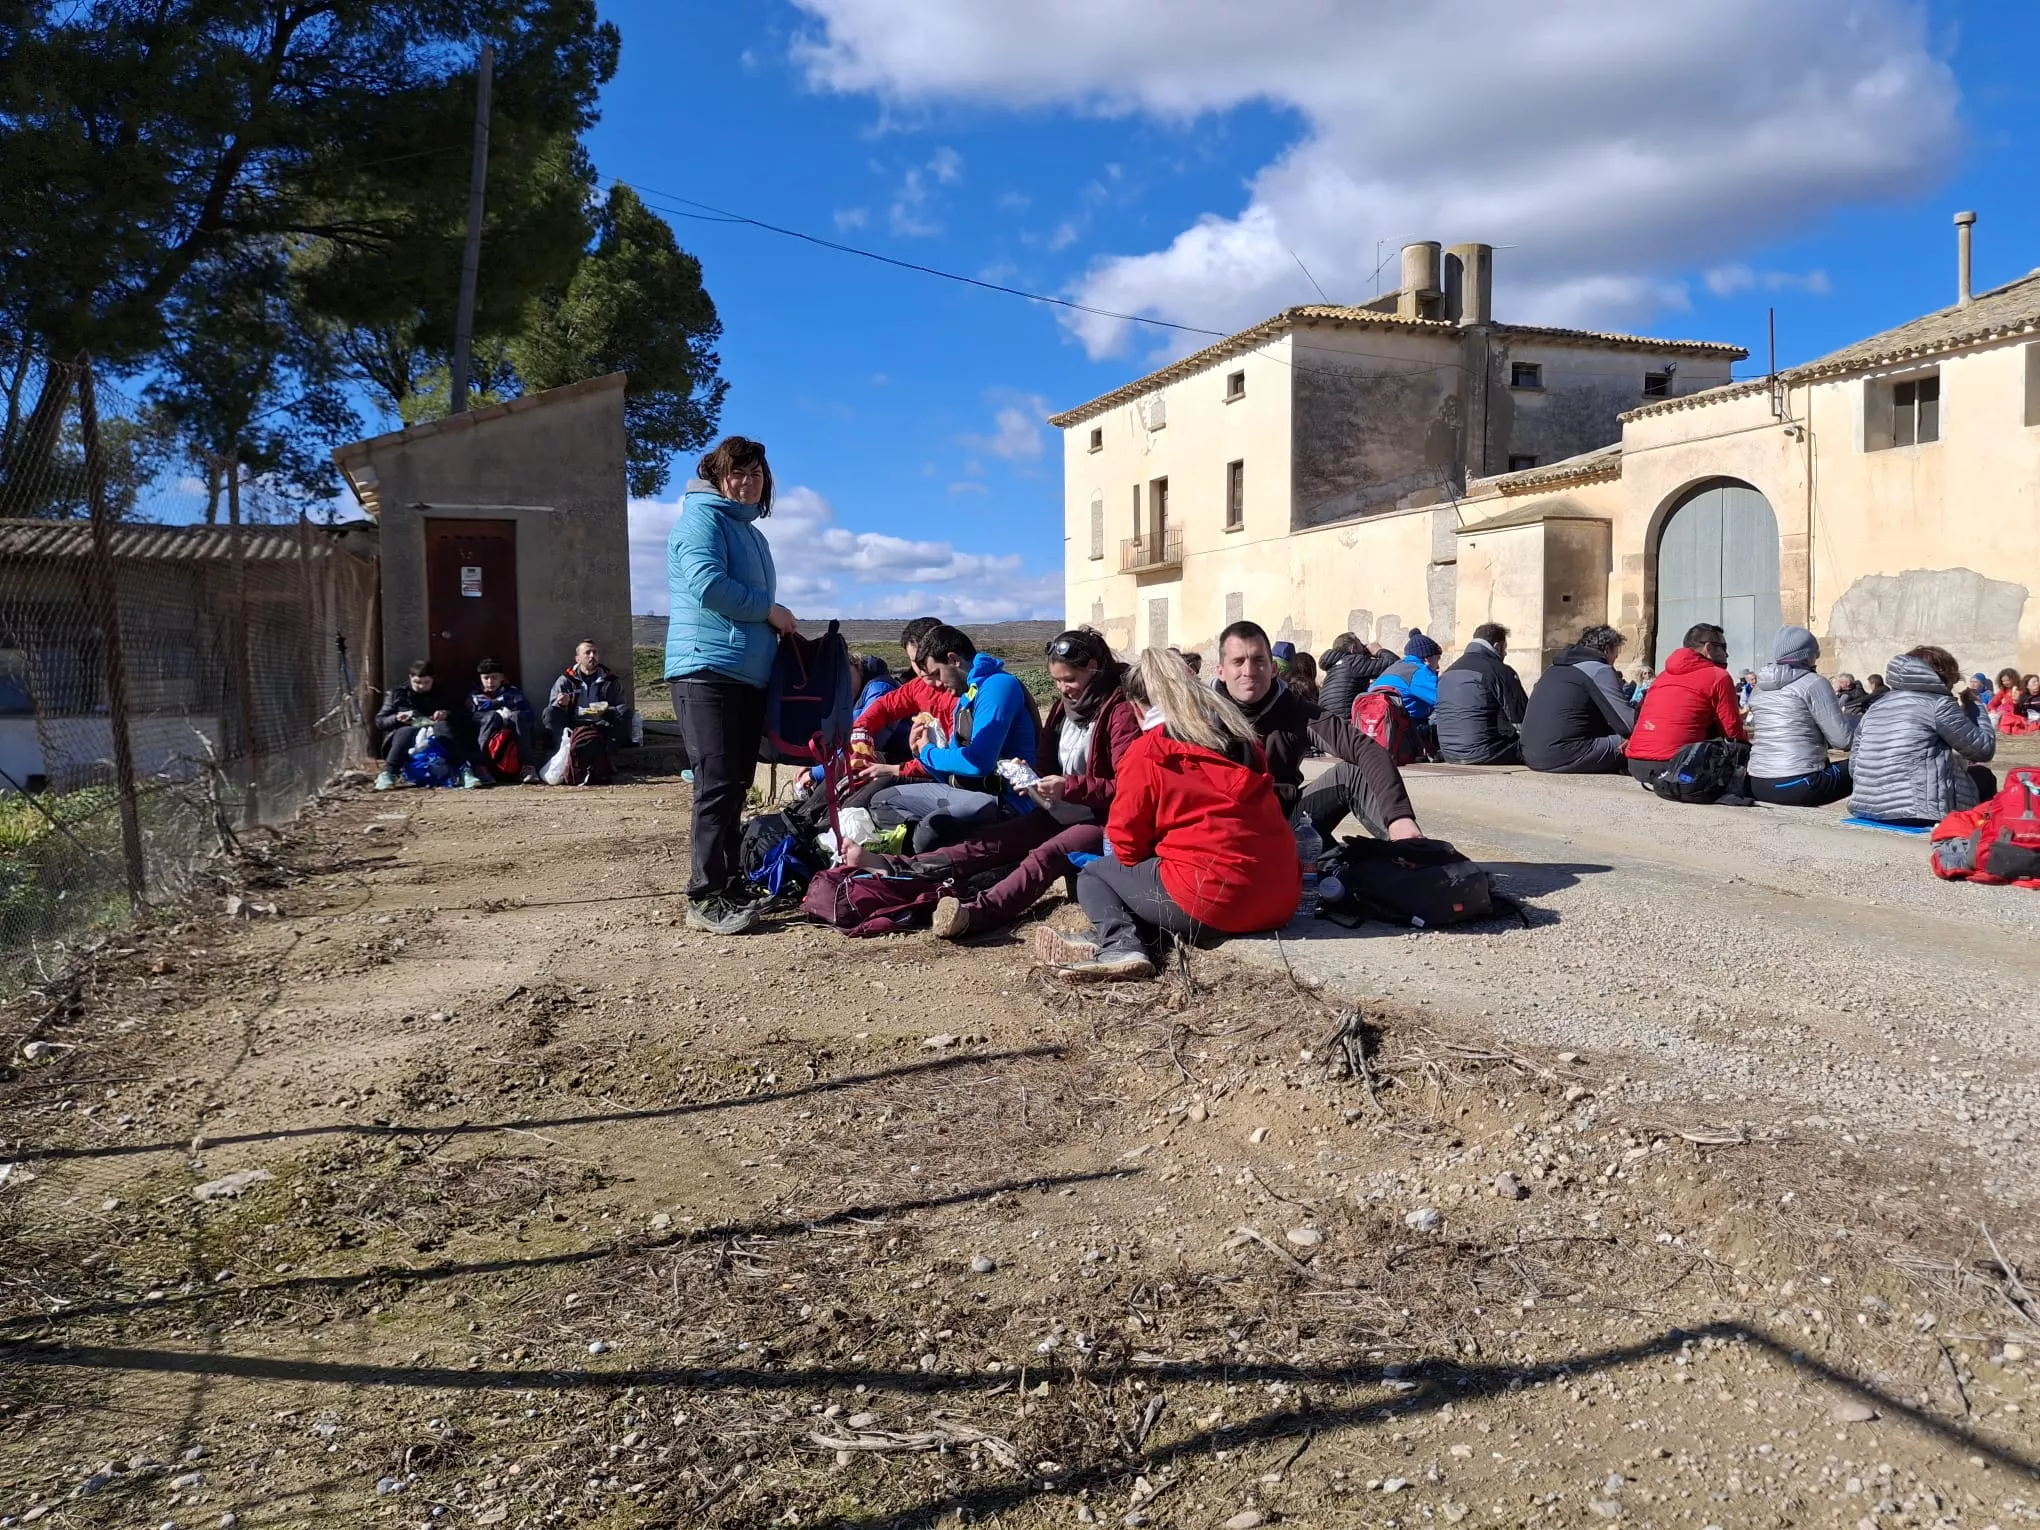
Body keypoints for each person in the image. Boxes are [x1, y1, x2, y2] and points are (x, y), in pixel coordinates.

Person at [1035, 647, 1301, 982]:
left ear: (1137, 707)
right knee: (1154, 879)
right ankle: (1114, 936)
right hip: (1282, 899)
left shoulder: (1148, 751)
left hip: (1216, 901)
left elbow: (1126, 847)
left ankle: (1120, 944)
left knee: (1095, 876)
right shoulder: (1241, 737)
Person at [859, 630, 1139, 941]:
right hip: (1063, 807)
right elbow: (1045, 762)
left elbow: (1129, 787)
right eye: (1056, 681)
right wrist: (1031, 779)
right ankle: (899, 866)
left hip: (1105, 819)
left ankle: (976, 914)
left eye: (1069, 680)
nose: (1062, 689)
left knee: (1045, 855)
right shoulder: (1064, 709)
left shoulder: (1119, 712)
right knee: (994, 841)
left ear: (1093, 668)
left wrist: (1067, 787)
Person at [666, 435, 799, 936]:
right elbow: (708, 585)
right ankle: (705, 896)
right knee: (717, 784)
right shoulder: (701, 519)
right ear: (718, 476)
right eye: (738, 473)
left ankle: (729, 882)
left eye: (756, 474)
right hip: (707, 670)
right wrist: (769, 611)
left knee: (736, 783)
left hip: (744, 674)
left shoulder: (751, 534)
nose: (748, 482)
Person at [865, 624, 1037, 852]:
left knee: (931, 830)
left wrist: (928, 751)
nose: (936, 684)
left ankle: (932, 852)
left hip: (1005, 801)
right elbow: (950, 776)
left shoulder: (998, 686)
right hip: (970, 792)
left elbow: (979, 763)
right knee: (883, 801)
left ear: (953, 659)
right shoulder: (966, 697)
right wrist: (919, 752)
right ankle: (926, 849)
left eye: (937, 674)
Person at [1848, 645, 1997, 825]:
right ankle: (1977, 833)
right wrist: (1975, 706)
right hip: (1918, 812)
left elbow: (1853, 765)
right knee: (1983, 775)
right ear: (1944, 675)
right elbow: (1983, 750)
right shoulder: (1939, 704)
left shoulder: (1877, 706)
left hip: (1865, 806)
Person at [1745, 627, 1857, 807]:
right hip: (1797, 784)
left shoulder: (1759, 689)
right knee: (1871, 765)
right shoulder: (1814, 683)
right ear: (1808, 655)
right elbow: (1842, 741)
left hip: (1757, 782)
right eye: (1816, 654)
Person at [1214, 620, 1315, 815]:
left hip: (1284, 813)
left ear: (1274, 668)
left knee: (1350, 774)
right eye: (1238, 662)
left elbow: (1356, 743)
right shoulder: (1201, 719)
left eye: (1258, 661)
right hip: (1228, 819)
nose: (1249, 672)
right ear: (1221, 672)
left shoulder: (1293, 705)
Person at [1625, 623, 1746, 784]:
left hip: (1636, 764)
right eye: (1723, 647)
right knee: (1741, 748)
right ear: (1708, 648)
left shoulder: (1661, 677)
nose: (1727, 654)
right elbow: (1732, 732)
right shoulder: (1718, 676)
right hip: (1677, 765)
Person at [848, 617, 961, 785]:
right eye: (915, 661)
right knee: (853, 772)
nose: (922, 669)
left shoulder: (958, 694)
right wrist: (861, 732)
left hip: (943, 774)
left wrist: (897, 769)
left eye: (924, 660)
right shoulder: (919, 686)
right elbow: (885, 706)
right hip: (924, 761)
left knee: (878, 786)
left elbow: (955, 758)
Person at [1519, 625, 1635, 774]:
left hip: (1530, 755)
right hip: (1564, 755)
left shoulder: (1552, 668)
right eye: (1615, 654)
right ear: (1607, 650)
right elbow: (1628, 725)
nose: (1615, 660)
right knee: (1643, 741)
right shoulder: (1598, 669)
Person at [375, 659, 479, 791]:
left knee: (443, 727)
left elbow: (463, 716)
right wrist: (396, 718)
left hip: (437, 737)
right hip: (406, 737)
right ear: (410, 678)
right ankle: (389, 773)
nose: (421, 686)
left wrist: (447, 714)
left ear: (433, 680)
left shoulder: (443, 693)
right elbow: (381, 721)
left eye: (426, 682)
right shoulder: (397, 694)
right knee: (405, 731)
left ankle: (464, 770)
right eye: (417, 682)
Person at [1432, 621, 1527, 765]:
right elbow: (1523, 720)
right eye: (1505, 648)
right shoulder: (1500, 670)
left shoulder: (1448, 672)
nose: (1506, 653)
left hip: (1449, 753)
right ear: (1497, 646)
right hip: (1487, 752)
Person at [544, 639, 633, 761]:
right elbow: (553, 706)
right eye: (587, 653)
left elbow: (620, 705)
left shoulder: (610, 680)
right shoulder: (566, 680)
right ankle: (561, 750)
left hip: (601, 723)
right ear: (578, 659)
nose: (592, 656)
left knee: (625, 711)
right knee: (549, 712)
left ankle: (609, 753)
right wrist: (561, 703)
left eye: (595, 652)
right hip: (573, 723)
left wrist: (606, 709)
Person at [467, 659, 539, 785]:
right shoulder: (475, 695)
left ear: (501, 677)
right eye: (486, 678)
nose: (490, 682)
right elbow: (470, 717)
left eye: (494, 677)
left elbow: (529, 715)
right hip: (487, 732)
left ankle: (528, 767)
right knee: (492, 716)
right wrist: (495, 707)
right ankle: (481, 768)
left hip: (511, 735)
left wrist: (509, 712)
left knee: (518, 716)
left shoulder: (512, 693)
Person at [1365, 629, 1444, 723]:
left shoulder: (1393, 668)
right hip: (1406, 726)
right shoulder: (1418, 672)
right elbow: (1444, 699)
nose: (1438, 666)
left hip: (1375, 723)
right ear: (1427, 659)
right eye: (1438, 659)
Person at [1316, 636, 1397, 726]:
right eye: (1361, 646)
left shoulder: (1333, 669)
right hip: (1347, 725)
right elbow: (1394, 663)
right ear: (1353, 649)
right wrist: (1378, 650)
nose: (1365, 649)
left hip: (1328, 725)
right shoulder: (1353, 662)